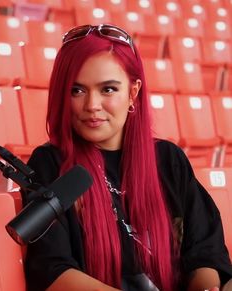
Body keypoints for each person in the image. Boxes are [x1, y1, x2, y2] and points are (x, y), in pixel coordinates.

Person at [22, 24, 232, 291]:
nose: (92, 105)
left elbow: (206, 251)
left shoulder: (169, 160)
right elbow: (52, 270)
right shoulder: (49, 164)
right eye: (77, 90)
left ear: (133, 93)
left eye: (108, 89)